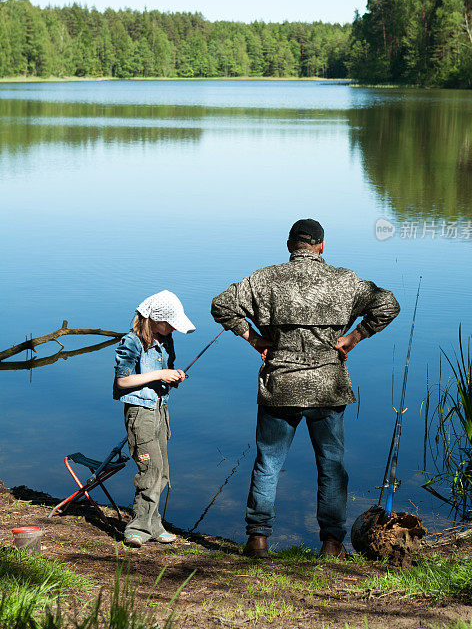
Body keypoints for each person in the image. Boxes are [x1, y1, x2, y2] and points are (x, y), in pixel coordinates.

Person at [211, 219, 400, 558]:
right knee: (331, 465)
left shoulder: (263, 279)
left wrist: (253, 338)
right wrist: (354, 337)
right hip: (328, 388)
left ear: (289, 245)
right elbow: (388, 305)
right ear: (321, 247)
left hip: (279, 386)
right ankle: (331, 543)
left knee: (268, 463)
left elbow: (221, 305)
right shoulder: (345, 281)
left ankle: (257, 539)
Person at [114, 290, 195, 548]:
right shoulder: (132, 342)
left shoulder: (165, 340)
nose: (172, 329)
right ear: (155, 320)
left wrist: (173, 377)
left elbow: (159, 376)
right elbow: (122, 381)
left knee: (162, 472)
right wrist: (160, 373)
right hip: (140, 414)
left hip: (160, 410)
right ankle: (137, 526)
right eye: (169, 324)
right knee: (149, 471)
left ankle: (155, 524)